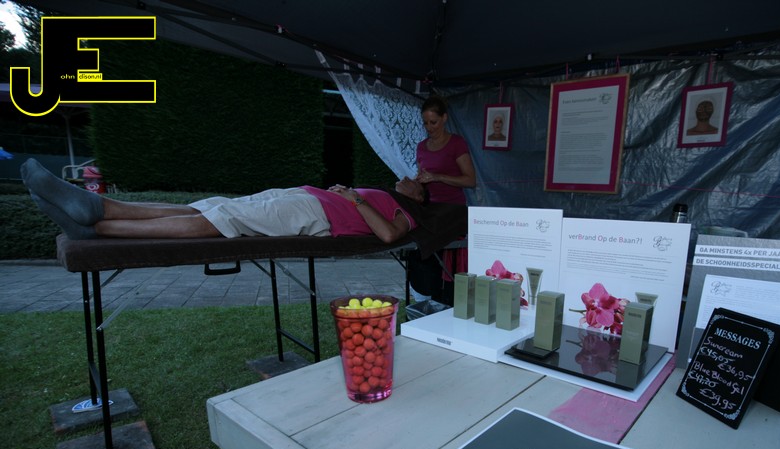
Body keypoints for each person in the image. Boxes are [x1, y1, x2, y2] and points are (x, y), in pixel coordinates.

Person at [21, 158, 422, 243]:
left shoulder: (407, 211)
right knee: (213, 206)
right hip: (304, 197)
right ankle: (97, 210)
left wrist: (354, 200)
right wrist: (350, 196)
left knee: (224, 219)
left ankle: (99, 227)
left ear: (420, 197)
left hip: (313, 213)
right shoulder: (388, 194)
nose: (407, 177)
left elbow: (389, 236)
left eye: (415, 181)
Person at [406, 95, 476, 302]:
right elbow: (423, 175)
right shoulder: (421, 146)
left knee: (433, 247)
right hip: (430, 208)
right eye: (425, 123)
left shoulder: (456, 143)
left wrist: (438, 177)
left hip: (453, 211)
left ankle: (441, 296)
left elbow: (470, 180)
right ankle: (426, 293)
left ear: (444, 118)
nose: (429, 127)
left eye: (433, 122)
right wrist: (417, 182)